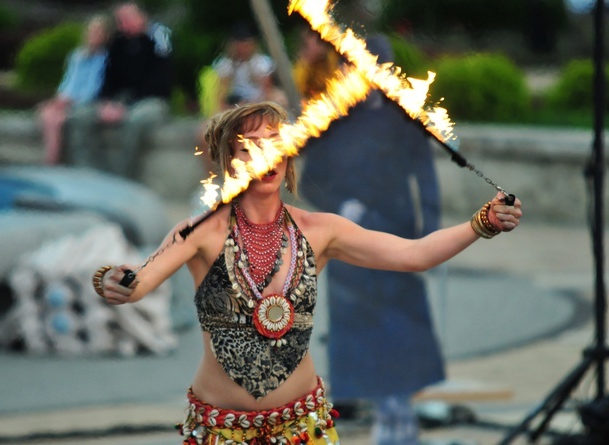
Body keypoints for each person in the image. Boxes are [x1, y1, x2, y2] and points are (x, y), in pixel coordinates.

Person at [91, 101, 522, 444]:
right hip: (220, 433)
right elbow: (140, 281)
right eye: (249, 146)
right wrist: (113, 279)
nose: (266, 154)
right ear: (229, 160)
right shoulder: (198, 233)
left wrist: (480, 222)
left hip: (303, 429)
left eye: (274, 141)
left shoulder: (321, 231)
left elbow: (414, 255)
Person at [300, 34, 445, 445]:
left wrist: (431, 234)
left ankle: (401, 409)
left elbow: (425, 175)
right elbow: (310, 176)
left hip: (399, 234)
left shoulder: (404, 115)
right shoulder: (333, 115)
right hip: (351, 243)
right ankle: (382, 410)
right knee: (361, 328)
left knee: (402, 325)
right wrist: (340, 207)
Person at [65, 1, 173, 179]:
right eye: (120, 20)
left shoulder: (159, 38)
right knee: (80, 117)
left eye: (128, 19)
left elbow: (160, 81)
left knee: (134, 122)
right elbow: (108, 78)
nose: (123, 24)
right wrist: (108, 102)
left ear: (142, 17)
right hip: (119, 100)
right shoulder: (117, 42)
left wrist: (125, 105)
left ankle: (121, 178)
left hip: (151, 100)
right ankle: (88, 173)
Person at [37, 15, 110, 165]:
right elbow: (67, 83)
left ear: (105, 36)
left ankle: (56, 161)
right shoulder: (77, 56)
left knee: (64, 118)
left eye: (98, 32)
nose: (93, 36)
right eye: (91, 32)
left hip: (87, 103)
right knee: (48, 115)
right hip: (68, 101)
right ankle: (51, 161)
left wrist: (69, 101)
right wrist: (60, 99)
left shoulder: (105, 59)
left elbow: (94, 89)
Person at [211, 22, 288, 111]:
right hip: (235, 102)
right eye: (239, 45)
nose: (242, 49)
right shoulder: (226, 64)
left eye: (245, 45)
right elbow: (222, 91)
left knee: (280, 96)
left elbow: (267, 89)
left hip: (258, 100)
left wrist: (252, 104)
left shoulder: (262, 62)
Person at [292, 27, 340, 103]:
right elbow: (297, 91)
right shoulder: (300, 68)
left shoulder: (331, 57)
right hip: (315, 107)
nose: (320, 43)